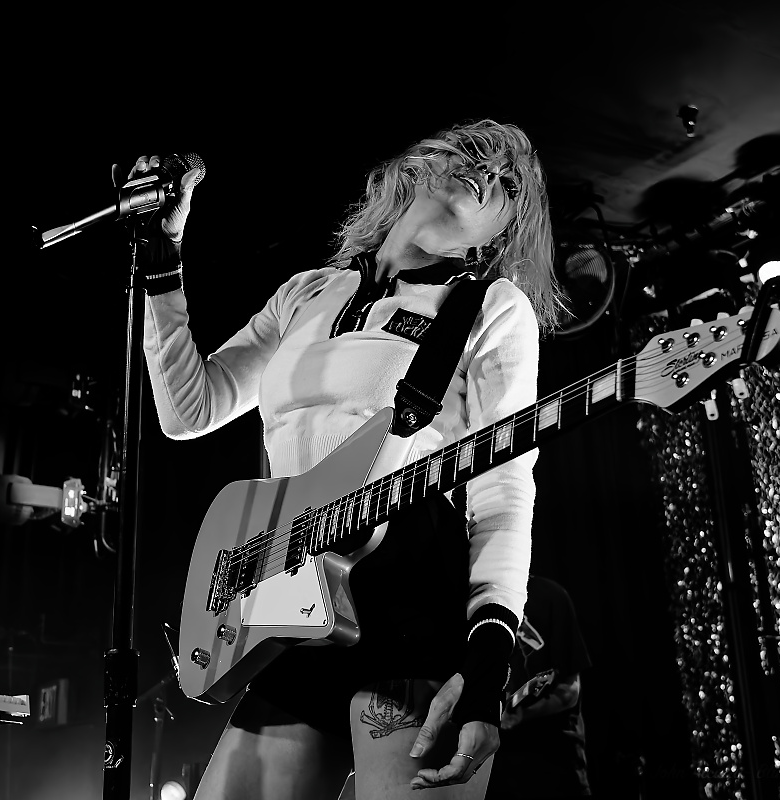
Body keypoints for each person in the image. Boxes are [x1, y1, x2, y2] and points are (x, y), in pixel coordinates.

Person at [136, 119, 561, 799]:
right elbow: (190, 410)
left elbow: (505, 488)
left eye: (509, 183)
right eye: (475, 155)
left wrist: (486, 666)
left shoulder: (488, 307)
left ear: (501, 235)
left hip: (413, 598)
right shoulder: (309, 291)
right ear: (421, 164)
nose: (489, 173)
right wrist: (162, 257)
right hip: (296, 595)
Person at [485, 573, 593, 799]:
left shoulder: (550, 596)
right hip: (496, 772)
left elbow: (570, 690)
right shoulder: (475, 603)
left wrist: (524, 714)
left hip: (553, 764)